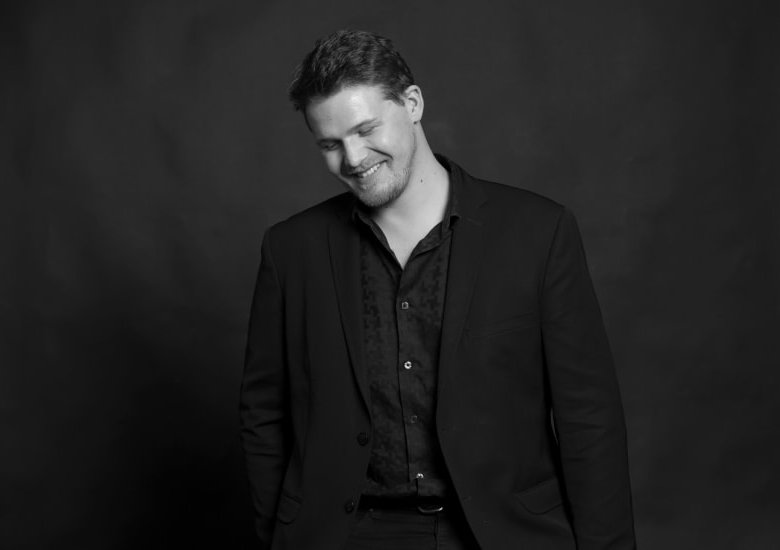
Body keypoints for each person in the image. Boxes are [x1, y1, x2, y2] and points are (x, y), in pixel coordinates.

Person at [240, 29, 636, 550]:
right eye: (330, 144)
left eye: (365, 129)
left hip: (501, 534)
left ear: (412, 103)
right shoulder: (291, 250)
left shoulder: (538, 232)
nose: (353, 158)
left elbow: (589, 416)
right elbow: (264, 414)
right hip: (348, 534)